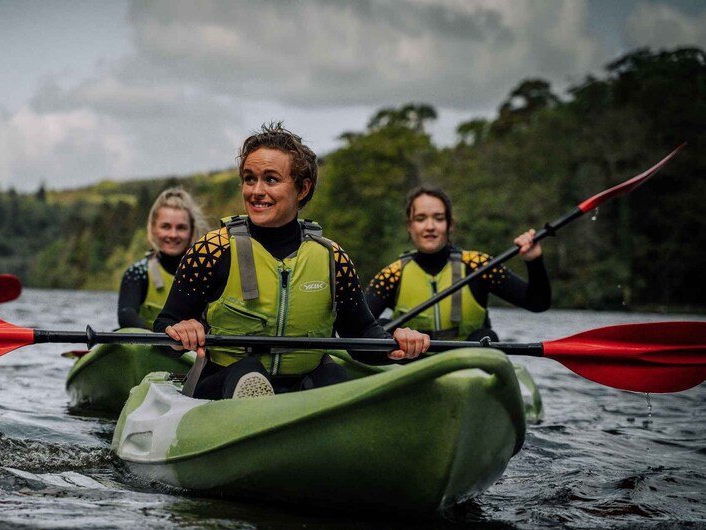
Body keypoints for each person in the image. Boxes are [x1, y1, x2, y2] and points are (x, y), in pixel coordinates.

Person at [155, 122, 430, 400]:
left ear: (302, 188)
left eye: (271, 180)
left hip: (301, 387)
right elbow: (164, 328)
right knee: (249, 372)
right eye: (250, 179)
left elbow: (360, 334)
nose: (256, 191)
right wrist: (178, 331)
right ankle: (255, 408)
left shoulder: (333, 258)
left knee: (332, 375)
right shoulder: (212, 250)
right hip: (225, 384)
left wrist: (397, 343)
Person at [365, 185, 551, 342]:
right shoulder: (393, 274)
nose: (430, 226)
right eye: (421, 219)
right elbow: (356, 325)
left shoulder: (478, 265)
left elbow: (537, 303)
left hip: (466, 365)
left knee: (486, 336)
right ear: (410, 226)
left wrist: (534, 261)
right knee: (378, 327)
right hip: (408, 364)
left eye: (438, 218)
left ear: (450, 224)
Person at [117, 187, 209, 329]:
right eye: (166, 226)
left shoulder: (206, 275)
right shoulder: (138, 273)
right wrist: (165, 339)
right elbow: (126, 316)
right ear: (153, 228)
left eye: (181, 228)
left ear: (192, 231)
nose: (173, 234)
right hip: (146, 348)